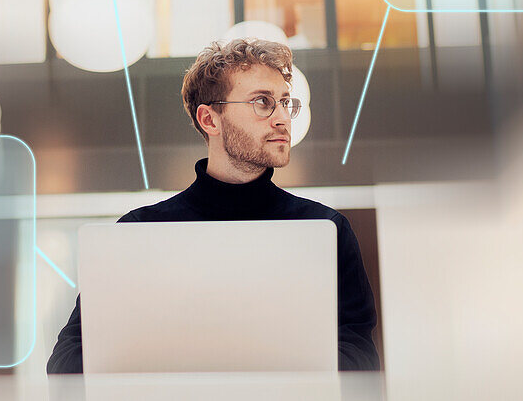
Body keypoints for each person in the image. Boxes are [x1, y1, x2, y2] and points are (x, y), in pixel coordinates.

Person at [46, 38, 380, 373]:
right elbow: (67, 362)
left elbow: (361, 359)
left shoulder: (326, 230)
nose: (282, 118)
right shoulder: (139, 233)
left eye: (285, 103)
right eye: (263, 102)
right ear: (210, 120)